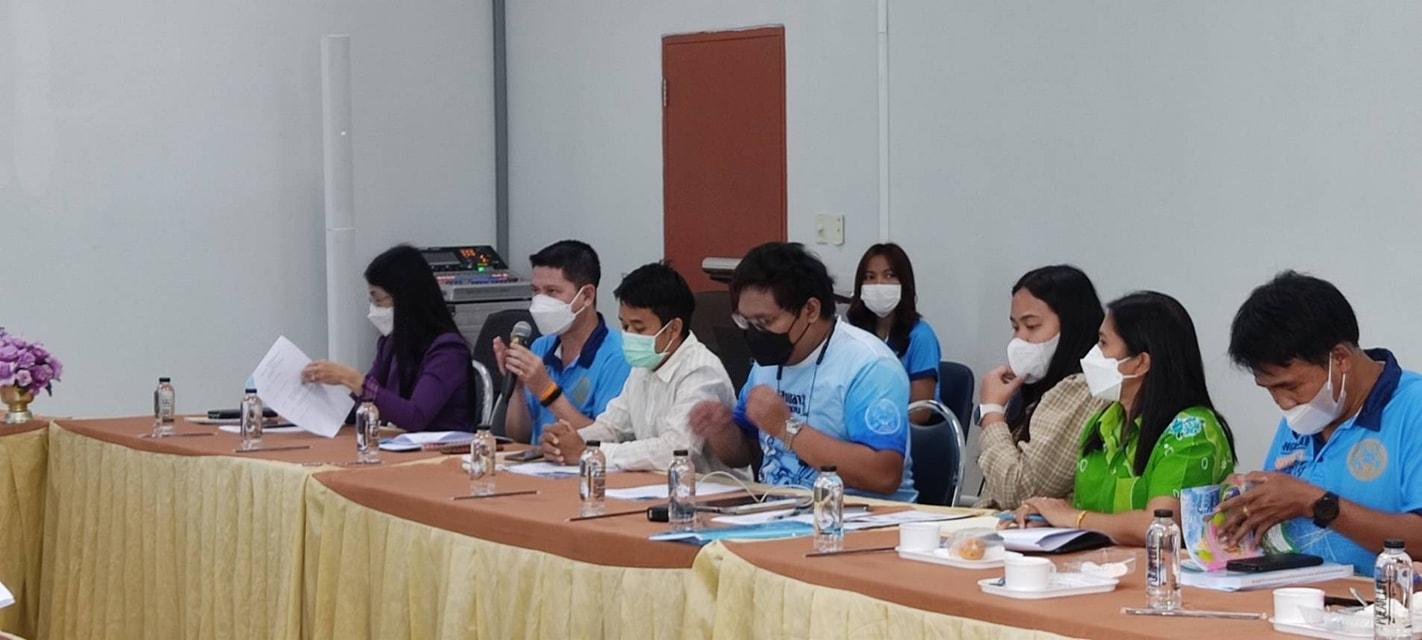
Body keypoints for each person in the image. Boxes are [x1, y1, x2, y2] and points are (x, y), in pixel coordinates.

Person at [1218, 271, 1422, 574]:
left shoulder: (1412, 408)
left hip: (1378, 599)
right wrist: (1251, 503)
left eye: (1290, 386)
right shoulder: (1305, 415)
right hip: (1295, 594)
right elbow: (1282, 506)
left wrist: (1315, 503)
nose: (1283, 403)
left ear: (1339, 358)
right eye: (1269, 390)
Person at [689, 242, 916, 501]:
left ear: (810, 310)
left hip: (856, 515)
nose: (755, 333)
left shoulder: (869, 366)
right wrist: (722, 430)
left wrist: (787, 428)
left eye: (765, 321)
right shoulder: (767, 362)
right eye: (745, 321)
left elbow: (884, 475)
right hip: (775, 510)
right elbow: (744, 453)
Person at [1010, 291, 1236, 545]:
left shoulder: (1191, 431)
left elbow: (1162, 527)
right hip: (1099, 564)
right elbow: (1097, 517)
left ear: (1140, 363)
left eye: (1103, 343)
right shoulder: (1103, 423)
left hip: (1163, 569)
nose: (1093, 354)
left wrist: (1073, 517)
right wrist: (1047, 515)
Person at [539, 262, 748, 478]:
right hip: (656, 485)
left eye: (639, 328)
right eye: (624, 326)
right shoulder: (644, 364)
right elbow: (613, 427)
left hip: (715, 489)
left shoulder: (701, 371)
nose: (629, 335)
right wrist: (567, 441)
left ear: (673, 329)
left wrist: (590, 452)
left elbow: (676, 449)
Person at [975, 265, 1109, 510]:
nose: (1020, 339)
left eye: (1032, 326)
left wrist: (992, 411)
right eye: (1015, 327)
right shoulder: (1036, 389)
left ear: (1072, 326)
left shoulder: (1082, 389)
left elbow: (1020, 492)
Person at [303, 244, 473, 431]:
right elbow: (359, 407)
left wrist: (352, 379)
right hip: (398, 442)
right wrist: (308, 404)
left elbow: (415, 416)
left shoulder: (448, 350)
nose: (374, 309)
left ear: (405, 298)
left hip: (443, 446)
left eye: (378, 300)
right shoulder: (391, 344)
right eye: (371, 301)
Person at [494, 240, 630, 444]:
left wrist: (546, 390)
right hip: (538, 460)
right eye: (536, 291)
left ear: (586, 296)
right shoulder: (541, 347)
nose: (540, 301)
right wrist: (518, 389)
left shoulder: (618, 355)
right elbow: (519, 437)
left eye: (552, 292)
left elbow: (604, 440)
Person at [845, 243, 943, 424]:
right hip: (860, 426)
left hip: (908, 432)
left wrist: (876, 427)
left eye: (889, 275)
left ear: (904, 283)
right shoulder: (855, 334)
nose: (879, 284)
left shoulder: (921, 336)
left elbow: (920, 413)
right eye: (870, 277)